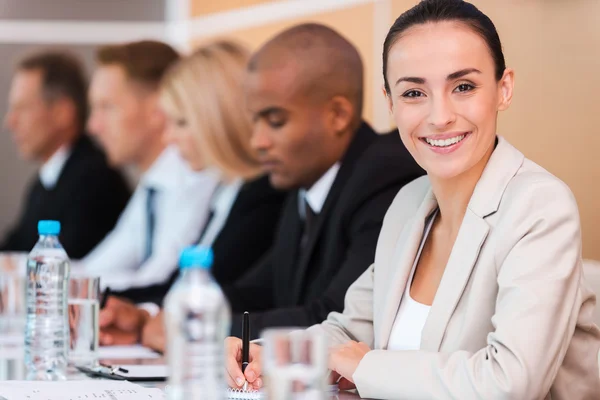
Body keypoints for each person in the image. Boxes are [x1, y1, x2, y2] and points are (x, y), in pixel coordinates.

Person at [224, 1, 600, 399]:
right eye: (414, 92)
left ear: (503, 89)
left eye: (463, 87)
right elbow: (350, 329)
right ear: (390, 104)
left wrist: (366, 366)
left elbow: (510, 383)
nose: (439, 116)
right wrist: (267, 355)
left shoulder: (539, 206)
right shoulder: (409, 203)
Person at [96, 24, 423, 351]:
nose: (257, 142)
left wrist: (194, 328)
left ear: (337, 115)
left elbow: (334, 318)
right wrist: (149, 316)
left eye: (275, 121)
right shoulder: (305, 181)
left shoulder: (383, 177)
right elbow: (256, 290)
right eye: (254, 121)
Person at [98, 40, 288, 347]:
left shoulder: (266, 197)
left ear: (219, 119)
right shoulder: (225, 190)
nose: (169, 138)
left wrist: (151, 316)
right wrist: (138, 313)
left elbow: (230, 292)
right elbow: (178, 282)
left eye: (182, 123)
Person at [82, 40, 219, 297]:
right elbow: (101, 265)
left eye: (107, 107)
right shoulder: (153, 184)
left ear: (157, 109)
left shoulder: (196, 176)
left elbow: (160, 279)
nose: (93, 126)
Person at [1, 51, 130, 259]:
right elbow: (15, 246)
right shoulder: (45, 181)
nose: (10, 122)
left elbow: (66, 265)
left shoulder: (95, 180)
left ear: (63, 112)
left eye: (22, 108)